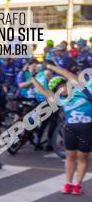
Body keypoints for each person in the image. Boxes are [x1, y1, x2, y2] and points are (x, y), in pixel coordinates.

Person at [32, 65, 92, 194]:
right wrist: (33, 78)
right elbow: (43, 91)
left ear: (66, 84)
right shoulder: (60, 100)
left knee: (83, 157)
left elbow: (66, 72)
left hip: (87, 129)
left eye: (61, 85)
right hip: (70, 130)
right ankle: (68, 183)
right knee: (70, 157)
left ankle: (78, 185)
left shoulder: (81, 90)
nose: (60, 90)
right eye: (56, 89)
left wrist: (48, 65)